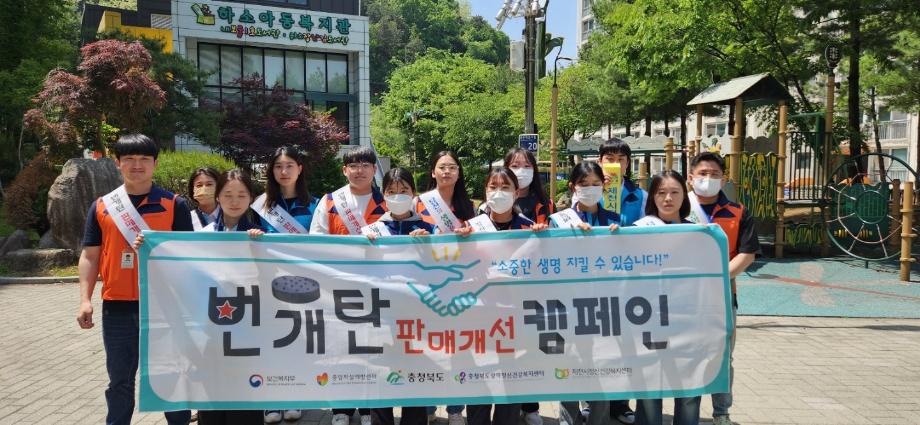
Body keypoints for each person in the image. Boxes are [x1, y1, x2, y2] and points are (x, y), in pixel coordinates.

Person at [76, 134, 192, 425]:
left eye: (144, 159)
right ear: (118, 163)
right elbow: (90, 255)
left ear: (155, 163)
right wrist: (84, 300)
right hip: (117, 307)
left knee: (170, 377)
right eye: (129, 159)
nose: (137, 165)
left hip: (164, 307)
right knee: (120, 381)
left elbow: (188, 256)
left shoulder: (174, 205)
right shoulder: (102, 206)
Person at [134, 169, 266, 425]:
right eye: (228, 194)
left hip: (248, 331)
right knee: (211, 400)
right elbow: (177, 269)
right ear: (218, 197)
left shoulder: (262, 235)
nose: (235, 201)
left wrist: (263, 247)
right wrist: (148, 248)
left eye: (242, 195)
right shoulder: (202, 236)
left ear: (251, 198)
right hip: (209, 329)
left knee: (246, 402)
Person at [464, 167, 547, 425]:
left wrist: (544, 240)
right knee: (479, 380)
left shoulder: (530, 229)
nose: (498, 193)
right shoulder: (470, 228)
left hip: (515, 317)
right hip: (479, 316)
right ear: (485, 191)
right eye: (493, 187)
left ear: (516, 192)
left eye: (505, 187)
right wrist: (459, 243)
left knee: (510, 380)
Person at [311, 146, 387, 425]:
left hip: (377, 288)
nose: (359, 170)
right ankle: (341, 408)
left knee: (371, 349)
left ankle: (368, 408)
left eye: (365, 165)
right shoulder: (330, 201)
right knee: (340, 348)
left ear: (374, 169)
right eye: (353, 165)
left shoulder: (387, 202)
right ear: (344, 170)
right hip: (339, 288)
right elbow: (316, 240)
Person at [686, 152, 760, 425]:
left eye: (714, 174)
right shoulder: (679, 208)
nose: (708, 179)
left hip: (723, 294)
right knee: (686, 353)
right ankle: (687, 411)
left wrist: (716, 278)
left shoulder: (738, 212)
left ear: (724, 178)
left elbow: (747, 253)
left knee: (722, 356)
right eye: (702, 174)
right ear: (690, 178)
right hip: (683, 296)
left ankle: (721, 412)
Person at [363, 168, 433, 425]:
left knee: (416, 372)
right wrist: (363, 247)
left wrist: (430, 245)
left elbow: (443, 266)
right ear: (383, 195)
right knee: (381, 372)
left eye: (404, 190)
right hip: (382, 315)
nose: (398, 196)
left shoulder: (429, 229)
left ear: (414, 193)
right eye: (391, 191)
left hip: (417, 316)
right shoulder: (372, 231)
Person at [553, 161, 620, 425]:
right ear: (573, 187)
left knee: (601, 364)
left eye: (595, 184)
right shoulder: (558, 221)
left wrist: (620, 239)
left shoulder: (615, 221)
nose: (590, 189)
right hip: (567, 306)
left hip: (603, 307)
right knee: (568, 363)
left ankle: (599, 419)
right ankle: (568, 419)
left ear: (604, 185)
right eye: (584, 184)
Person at [631, 171, 701, 425]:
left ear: (684, 196)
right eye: (661, 192)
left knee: (689, 388)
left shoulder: (699, 233)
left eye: (674, 192)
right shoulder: (637, 231)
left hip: (687, 320)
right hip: (648, 319)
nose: (668, 198)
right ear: (652, 197)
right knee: (650, 386)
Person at [252, 146, 319, 236]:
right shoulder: (261, 204)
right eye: (278, 166)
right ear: (272, 170)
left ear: (299, 169)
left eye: (289, 166)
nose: (284, 172)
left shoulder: (316, 205)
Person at [417, 150, 476, 236]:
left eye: (452, 167)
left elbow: (477, 239)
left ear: (459, 174)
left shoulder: (469, 207)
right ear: (433, 173)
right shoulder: (418, 203)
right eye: (442, 167)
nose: (447, 171)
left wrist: (468, 234)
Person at [599, 138, 647, 230]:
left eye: (620, 159)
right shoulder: (588, 191)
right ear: (600, 161)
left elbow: (646, 229)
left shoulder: (642, 196)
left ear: (627, 163)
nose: (616, 164)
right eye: (610, 159)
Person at [503, 147, 555, 226]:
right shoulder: (495, 203)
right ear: (506, 170)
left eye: (527, 166)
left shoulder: (547, 204)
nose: (521, 170)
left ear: (534, 170)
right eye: (515, 166)